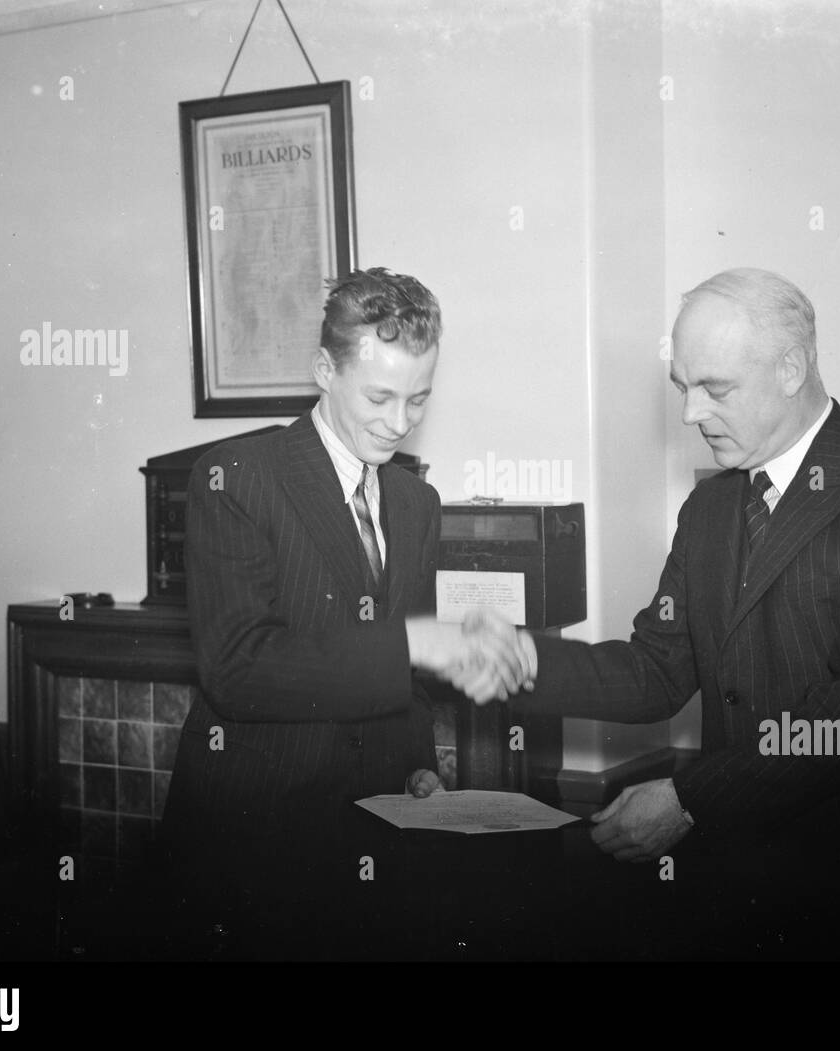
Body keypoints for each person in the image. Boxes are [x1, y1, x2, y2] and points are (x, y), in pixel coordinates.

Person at [510, 268, 840, 958]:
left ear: (791, 368)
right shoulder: (709, 507)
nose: (689, 414)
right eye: (682, 387)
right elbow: (656, 671)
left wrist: (690, 799)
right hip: (746, 875)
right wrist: (517, 663)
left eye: (715, 389)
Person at [159, 267, 534, 957]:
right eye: (380, 397)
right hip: (254, 850)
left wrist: (416, 765)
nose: (399, 423)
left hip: (373, 846)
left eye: (418, 399)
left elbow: (404, 682)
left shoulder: (417, 502)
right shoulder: (235, 478)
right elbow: (239, 671)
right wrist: (417, 642)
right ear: (324, 371)